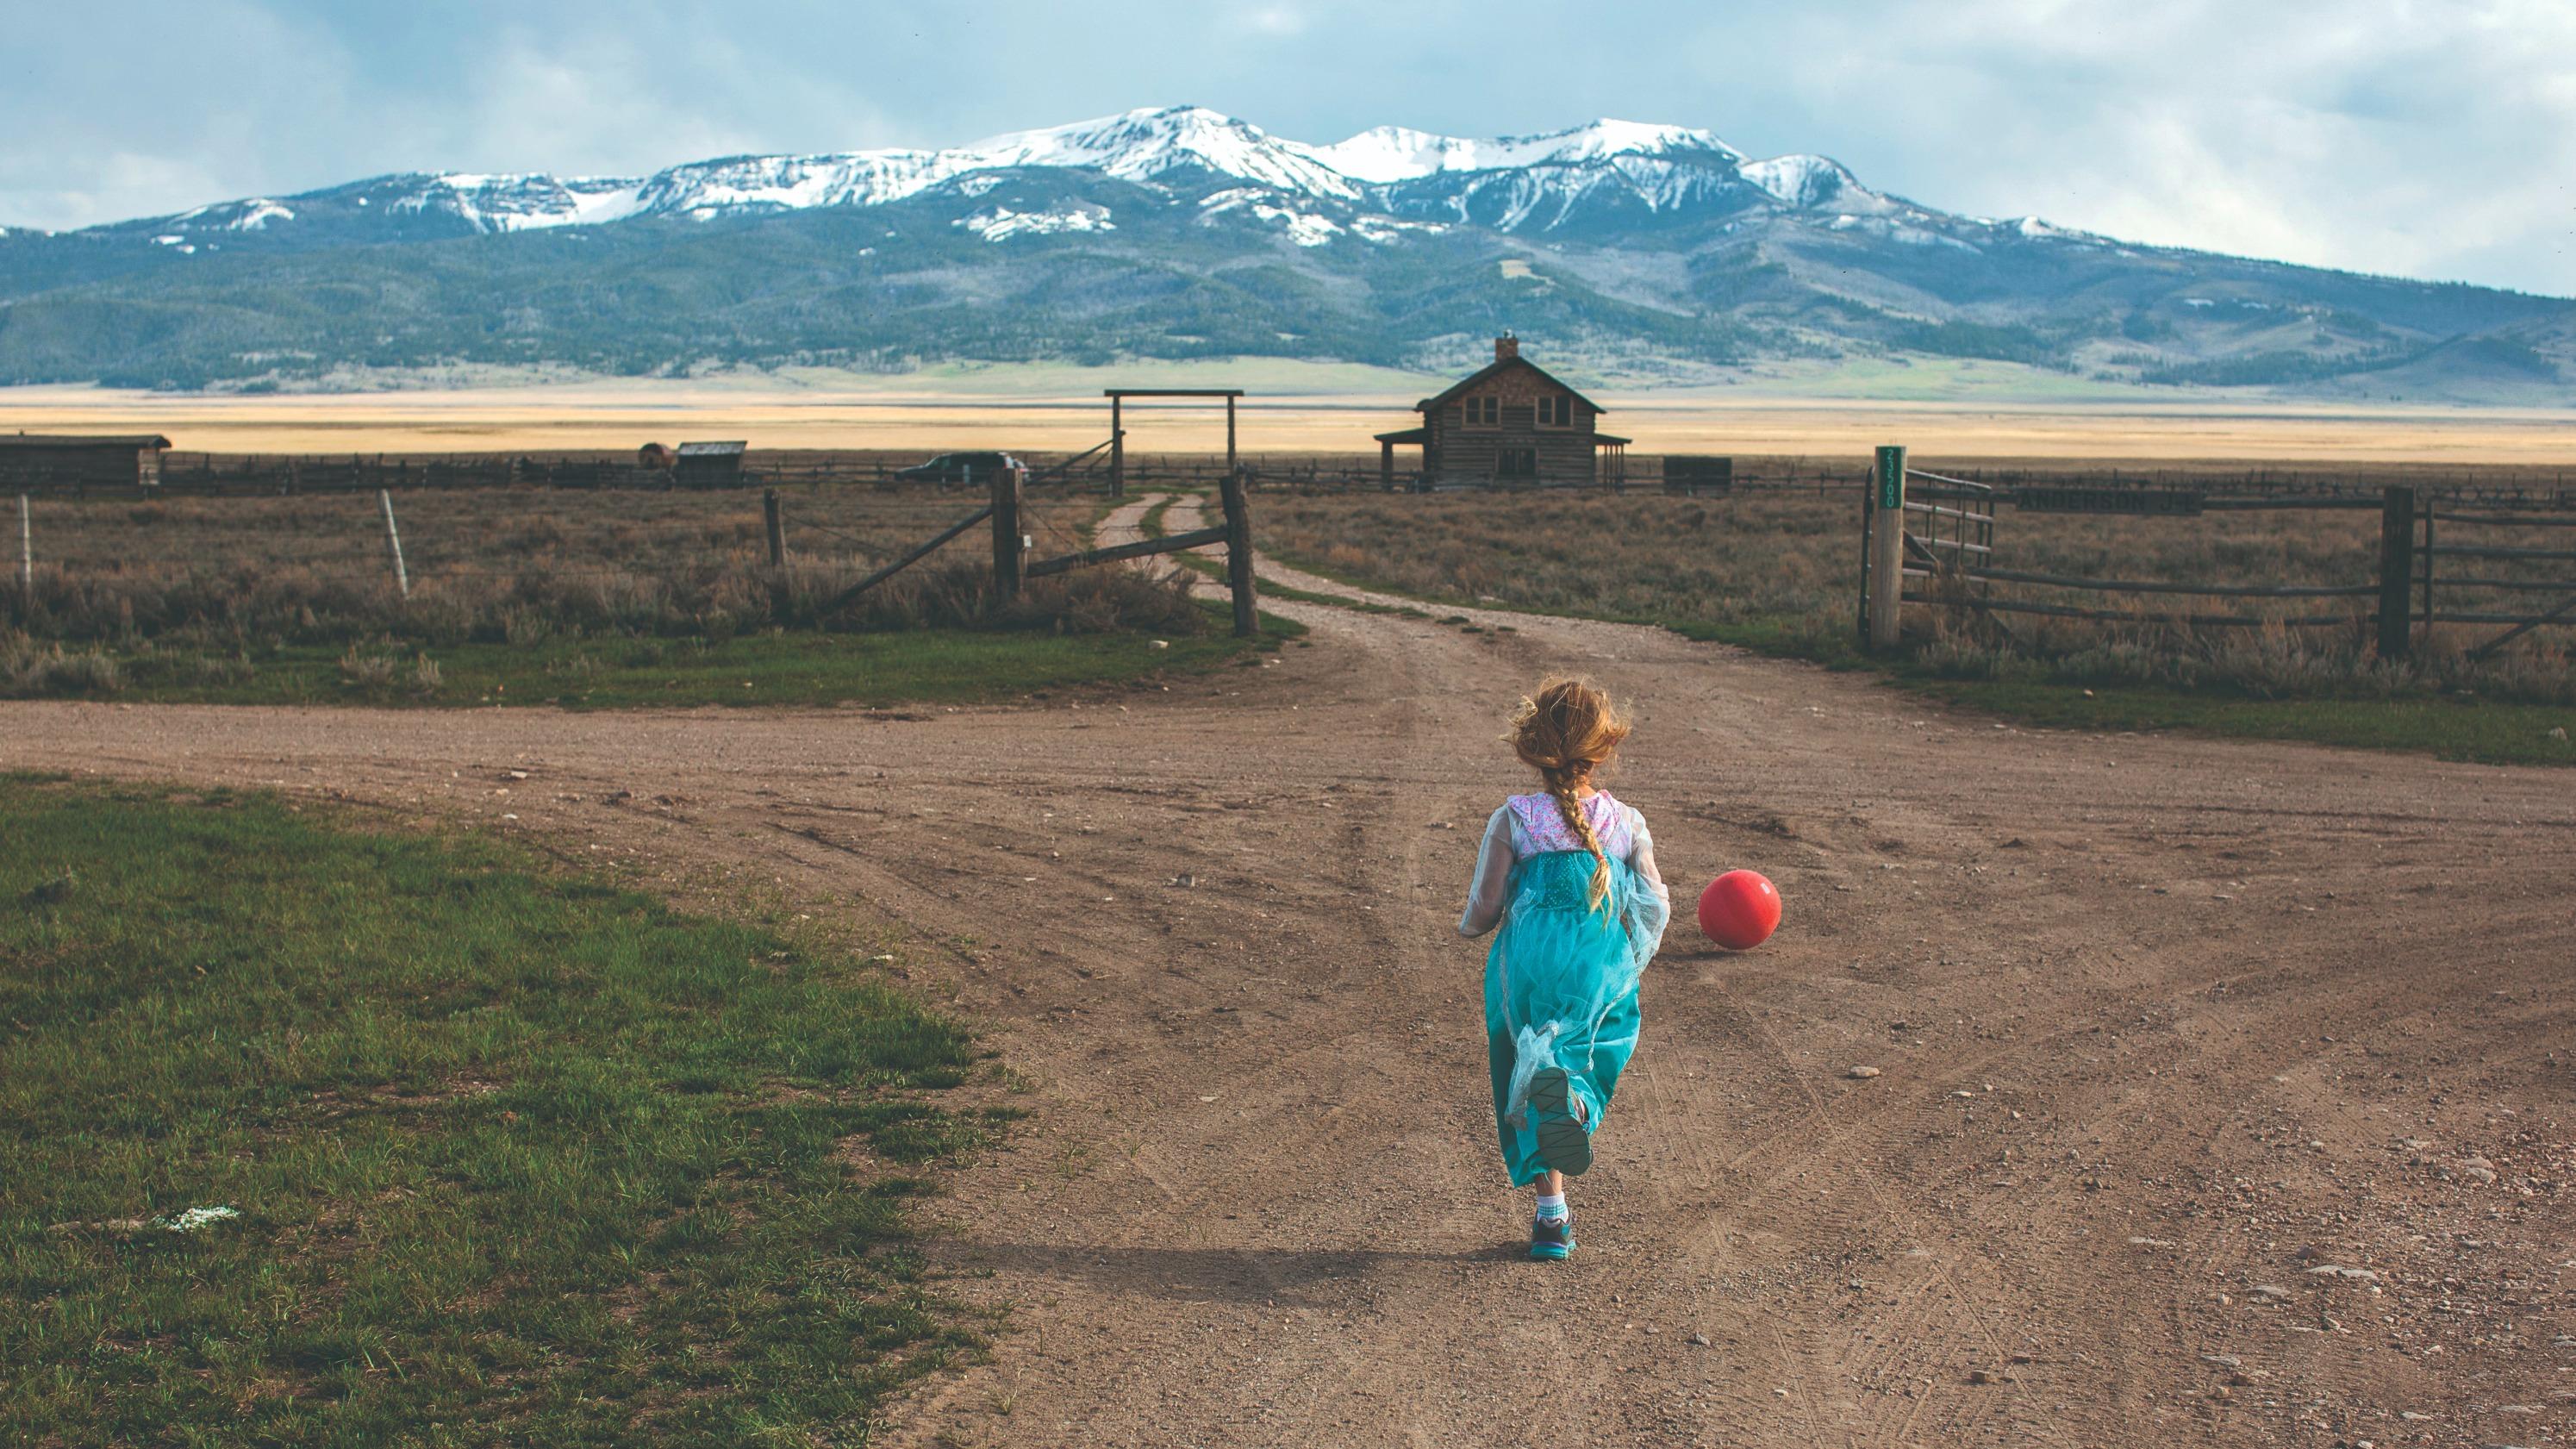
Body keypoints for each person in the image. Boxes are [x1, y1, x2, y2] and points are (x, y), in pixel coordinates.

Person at [1458, 677, 1670, 1261]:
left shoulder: (1513, 818)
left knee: (1524, 1061)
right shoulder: (1625, 821)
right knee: (1587, 1053)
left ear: (1531, 744)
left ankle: (1552, 1214)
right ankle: (1574, 1100)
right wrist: (1630, 954)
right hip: (1595, 967)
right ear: (1602, 747)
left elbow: (1486, 903)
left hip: (1524, 968)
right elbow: (1654, 901)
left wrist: (1468, 928)